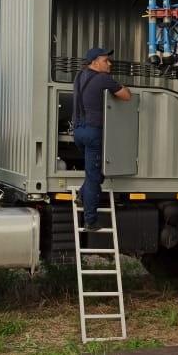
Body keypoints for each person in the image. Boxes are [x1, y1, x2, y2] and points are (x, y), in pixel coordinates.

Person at [72, 47, 131, 231]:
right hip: (92, 133)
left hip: (79, 133)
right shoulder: (103, 79)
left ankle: (82, 195)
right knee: (94, 177)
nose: (109, 63)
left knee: (94, 173)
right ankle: (90, 221)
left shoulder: (79, 77)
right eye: (106, 60)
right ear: (95, 62)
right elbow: (126, 96)